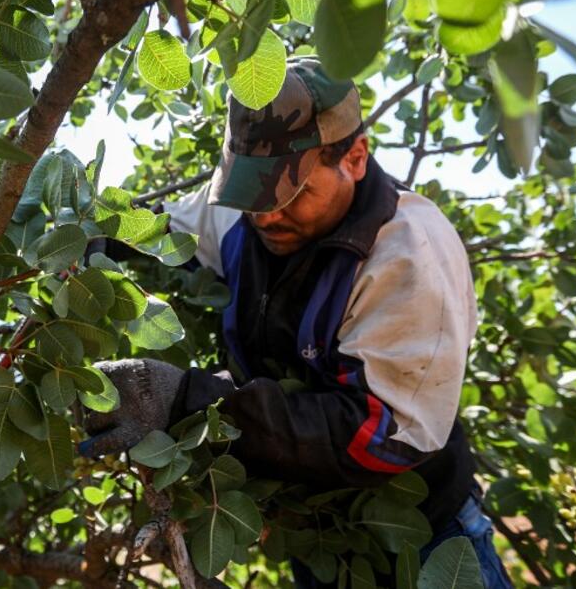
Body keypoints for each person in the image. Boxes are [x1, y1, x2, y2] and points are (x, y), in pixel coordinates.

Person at [79, 58, 513, 588]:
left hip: (428, 547)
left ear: (354, 158)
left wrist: (184, 398)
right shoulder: (245, 209)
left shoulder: (407, 255)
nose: (265, 217)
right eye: (251, 194)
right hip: (319, 544)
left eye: (290, 196)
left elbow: (377, 437)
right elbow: (169, 234)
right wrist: (97, 235)